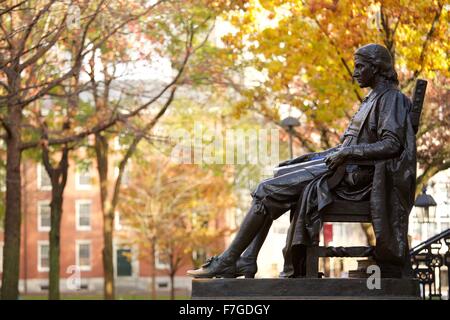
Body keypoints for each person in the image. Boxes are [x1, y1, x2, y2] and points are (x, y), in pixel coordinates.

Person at [187, 43, 416, 279]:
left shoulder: (391, 99)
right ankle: (246, 259)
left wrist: (347, 154)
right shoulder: (371, 99)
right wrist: (308, 158)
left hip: (356, 180)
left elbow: (392, 145)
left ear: (376, 68)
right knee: (275, 178)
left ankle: (230, 260)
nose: (355, 72)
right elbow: (346, 147)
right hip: (342, 170)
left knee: (266, 190)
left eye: (360, 66)